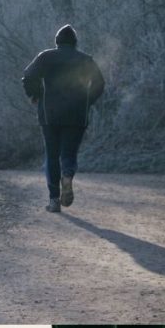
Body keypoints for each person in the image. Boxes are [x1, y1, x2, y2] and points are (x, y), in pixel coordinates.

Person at [21, 24, 105, 213]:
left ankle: (54, 200)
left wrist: (35, 94)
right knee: (69, 153)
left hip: (50, 114)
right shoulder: (85, 59)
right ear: (75, 42)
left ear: (57, 42)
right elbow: (99, 83)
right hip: (77, 115)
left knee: (52, 155)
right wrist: (87, 100)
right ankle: (67, 175)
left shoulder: (46, 57)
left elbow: (27, 76)